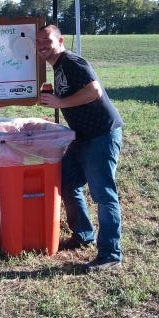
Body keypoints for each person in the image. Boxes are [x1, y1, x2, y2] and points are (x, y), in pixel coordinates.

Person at [36, 24, 123, 272]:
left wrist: (60, 102)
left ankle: (110, 255)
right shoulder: (58, 66)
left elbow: (94, 91)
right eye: (38, 41)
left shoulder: (72, 61)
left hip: (101, 134)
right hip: (82, 137)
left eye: (47, 39)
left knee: (104, 195)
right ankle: (83, 234)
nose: (42, 45)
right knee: (65, 181)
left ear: (60, 40)